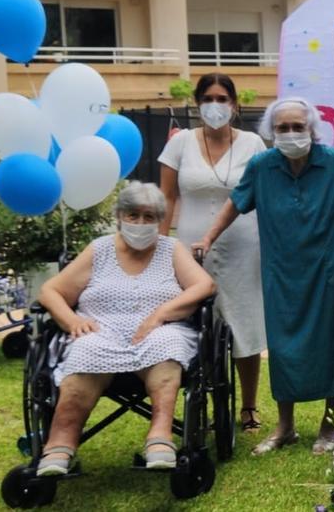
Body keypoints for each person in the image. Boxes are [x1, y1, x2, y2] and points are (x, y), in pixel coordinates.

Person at [192, 96, 334, 456]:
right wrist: (207, 239)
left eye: (297, 127)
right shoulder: (262, 166)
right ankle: (285, 426)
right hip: (282, 271)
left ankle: (330, 426)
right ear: (271, 132)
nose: (290, 133)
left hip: (333, 270)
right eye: (282, 128)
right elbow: (235, 203)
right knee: (284, 346)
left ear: (312, 130)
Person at [34, 182, 217, 476]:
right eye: (133, 216)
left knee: (166, 344)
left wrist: (161, 314)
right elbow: (49, 291)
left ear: (160, 220)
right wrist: (72, 322)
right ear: (119, 216)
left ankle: (160, 436)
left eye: (149, 217)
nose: (141, 223)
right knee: (85, 348)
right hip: (101, 332)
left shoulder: (171, 249)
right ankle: (60, 444)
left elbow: (204, 285)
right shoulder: (100, 250)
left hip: (159, 332)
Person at [158, 72, 268, 434]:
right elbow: (167, 199)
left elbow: (266, 197)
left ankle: (249, 407)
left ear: (235, 106)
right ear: (197, 103)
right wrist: (160, 249)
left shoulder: (253, 143)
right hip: (191, 248)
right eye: (209, 99)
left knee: (245, 324)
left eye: (223, 99)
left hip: (244, 247)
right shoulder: (180, 143)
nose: (216, 106)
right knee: (195, 323)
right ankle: (199, 400)